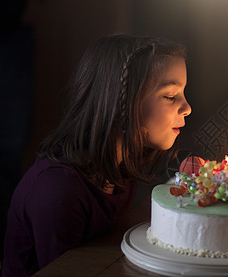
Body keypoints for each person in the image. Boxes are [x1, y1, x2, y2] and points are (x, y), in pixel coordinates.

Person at [1, 34, 191, 276]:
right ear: (119, 104)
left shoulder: (121, 168)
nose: (187, 107)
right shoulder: (58, 191)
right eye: (170, 96)